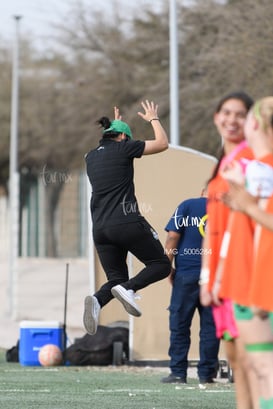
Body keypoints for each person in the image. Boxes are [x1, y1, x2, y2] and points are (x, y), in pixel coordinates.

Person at [83, 100, 171, 336]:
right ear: (123, 138)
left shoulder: (90, 157)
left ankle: (97, 300)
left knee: (115, 278)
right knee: (161, 265)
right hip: (126, 222)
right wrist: (153, 118)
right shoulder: (124, 148)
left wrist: (118, 124)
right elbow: (162, 144)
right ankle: (128, 288)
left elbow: (112, 142)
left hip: (100, 229)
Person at [199, 91, 260, 409]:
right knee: (236, 360)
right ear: (216, 117)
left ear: (251, 120)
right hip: (222, 274)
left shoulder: (252, 161)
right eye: (226, 112)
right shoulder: (222, 164)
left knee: (252, 364)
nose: (231, 120)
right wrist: (206, 277)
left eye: (239, 114)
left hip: (244, 272)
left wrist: (221, 275)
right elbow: (214, 229)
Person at [218, 97, 273, 409]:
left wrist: (248, 205)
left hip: (260, 283)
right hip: (255, 282)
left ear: (256, 125)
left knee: (263, 371)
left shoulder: (261, 170)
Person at [161, 189, 220, 384]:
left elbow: (172, 238)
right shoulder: (224, 209)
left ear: (202, 191)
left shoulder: (187, 205)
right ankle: (207, 374)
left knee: (179, 325)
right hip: (213, 277)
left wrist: (167, 267)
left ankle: (178, 373)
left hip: (185, 275)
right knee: (210, 327)